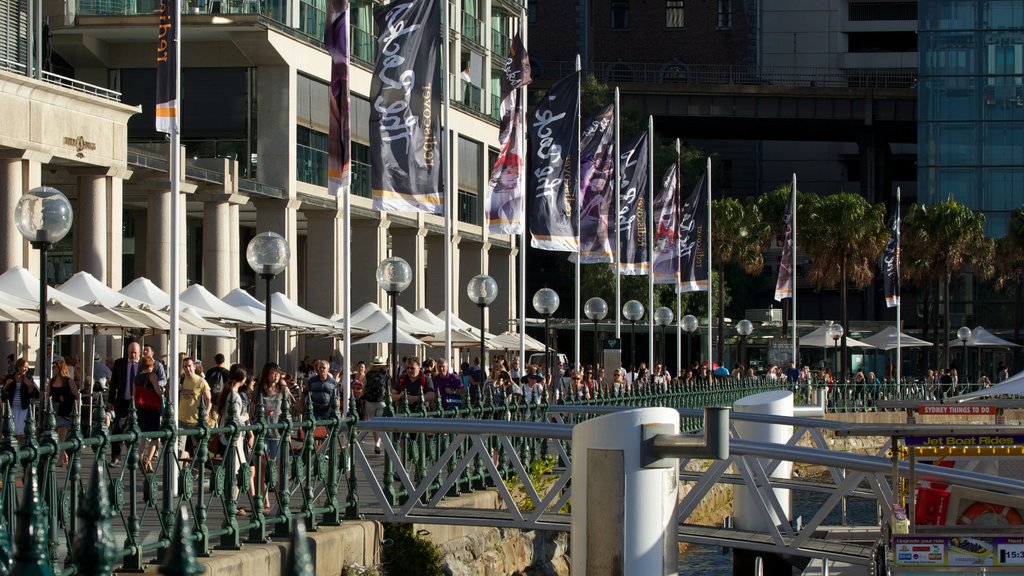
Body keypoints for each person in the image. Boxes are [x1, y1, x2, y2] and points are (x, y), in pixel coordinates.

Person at [216, 363, 254, 515]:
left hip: (228, 438)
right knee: (236, 472)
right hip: (234, 439)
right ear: (243, 379)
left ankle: (232, 503)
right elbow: (235, 418)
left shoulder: (228, 392)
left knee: (237, 472)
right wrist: (245, 417)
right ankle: (230, 505)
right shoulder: (234, 395)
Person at [107, 342, 142, 466]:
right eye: (130, 352)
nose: (133, 355)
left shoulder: (143, 365)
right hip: (123, 401)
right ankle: (116, 456)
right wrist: (110, 400)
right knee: (118, 427)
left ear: (139, 353)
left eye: (135, 352)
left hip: (138, 403)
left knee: (136, 429)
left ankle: (135, 456)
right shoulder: (120, 363)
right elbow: (113, 384)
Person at [177, 357, 211, 459]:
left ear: (194, 366)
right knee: (179, 448)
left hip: (195, 420)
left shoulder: (201, 381)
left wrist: (207, 412)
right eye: (185, 366)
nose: (188, 369)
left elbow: (209, 399)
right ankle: (178, 472)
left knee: (198, 448)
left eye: (190, 366)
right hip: (181, 419)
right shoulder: (181, 379)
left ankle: (195, 472)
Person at [49, 358, 79, 466]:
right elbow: (48, 396)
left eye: (55, 367)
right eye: (52, 367)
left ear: (60, 368)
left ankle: (60, 459)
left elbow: (76, 395)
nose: (53, 369)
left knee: (62, 433)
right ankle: (65, 454)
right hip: (54, 409)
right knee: (57, 434)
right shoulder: (51, 381)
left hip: (65, 409)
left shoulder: (68, 381)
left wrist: (76, 411)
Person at [2, 358, 39, 438]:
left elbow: (31, 395)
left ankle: (20, 447)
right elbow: (3, 395)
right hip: (11, 408)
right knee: (11, 431)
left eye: (27, 367)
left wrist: (29, 385)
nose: (26, 369)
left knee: (21, 432)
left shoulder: (28, 378)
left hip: (23, 408)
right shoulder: (10, 377)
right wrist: (6, 385)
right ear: (19, 367)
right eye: (25, 367)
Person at [362, 356, 390, 453]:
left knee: (374, 423)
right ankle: (382, 443)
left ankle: (377, 443)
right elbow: (388, 388)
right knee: (381, 423)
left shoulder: (368, 374)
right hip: (381, 401)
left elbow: (363, 387)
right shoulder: (385, 374)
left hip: (370, 401)